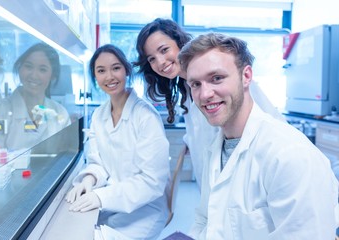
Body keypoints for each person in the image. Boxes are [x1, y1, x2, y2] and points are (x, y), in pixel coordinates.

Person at [178, 32, 339, 239]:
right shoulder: (216, 148)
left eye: (216, 78)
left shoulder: (290, 155)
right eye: (196, 84)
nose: (204, 94)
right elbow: (205, 219)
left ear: (246, 76)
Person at [134, 18, 284, 188]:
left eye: (164, 50)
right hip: (213, 185)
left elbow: (269, 123)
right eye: (152, 59)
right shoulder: (187, 87)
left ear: (180, 43)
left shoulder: (227, 77)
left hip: (245, 179)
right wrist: (190, 140)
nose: (160, 62)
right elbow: (204, 131)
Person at [65, 44, 170, 240]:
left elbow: (152, 182)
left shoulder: (145, 116)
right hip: (111, 205)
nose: (109, 77)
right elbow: (99, 163)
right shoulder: (98, 115)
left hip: (144, 211)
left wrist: (101, 197)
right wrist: (90, 179)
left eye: (116, 68)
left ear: (126, 70)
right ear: (95, 77)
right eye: (101, 70)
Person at [0, 42, 70, 151]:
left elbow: (65, 156)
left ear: (53, 76)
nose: (33, 75)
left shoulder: (60, 113)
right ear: (19, 68)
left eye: (42, 69)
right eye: (28, 66)